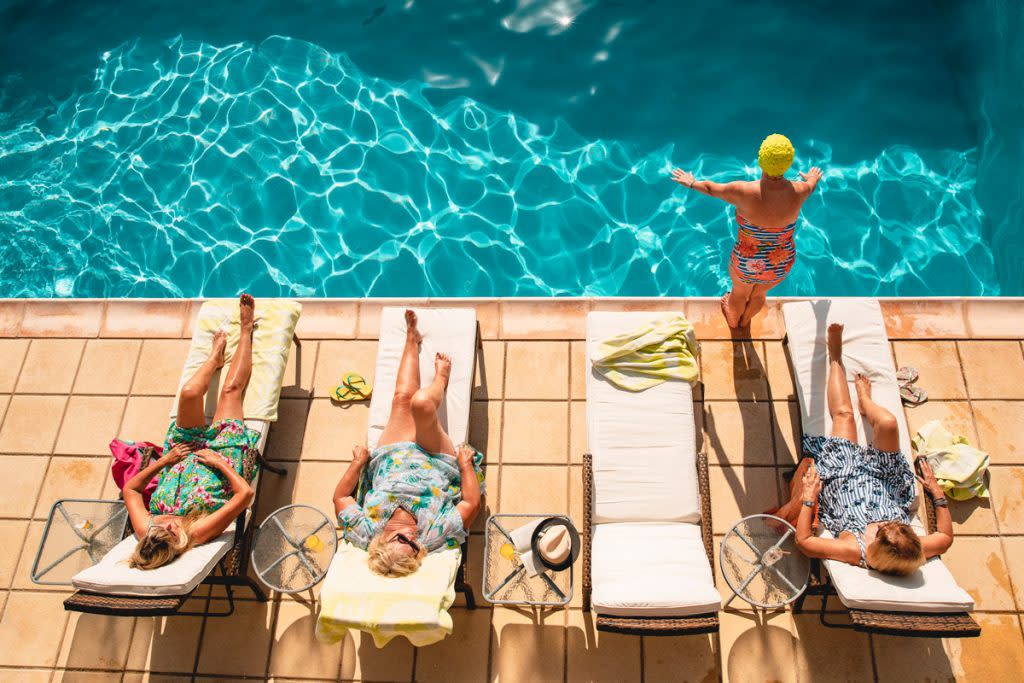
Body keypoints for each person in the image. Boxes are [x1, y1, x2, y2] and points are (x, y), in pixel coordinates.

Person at [774, 323, 953, 576]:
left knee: (844, 415)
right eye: (898, 526)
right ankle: (866, 401)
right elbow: (945, 537)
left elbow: (805, 543)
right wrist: (938, 496)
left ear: (877, 548)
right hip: (886, 480)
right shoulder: (912, 547)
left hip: (842, 475)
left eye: (883, 529)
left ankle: (835, 357)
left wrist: (809, 498)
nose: (885, 524)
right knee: (888, 424)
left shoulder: (855, 548)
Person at [332, 310, 484, 578]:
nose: (410, 537)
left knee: (402, 398)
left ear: (382, 543)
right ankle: (441, 379)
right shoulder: (433, 536)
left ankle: (411, 340)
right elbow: (471, 503)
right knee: (422, 405)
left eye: (401, 540)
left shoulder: (365, 532)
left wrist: (357, 464)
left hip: (391, 456)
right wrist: (465, 465)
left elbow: (341, 498)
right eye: (413, 545)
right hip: (435, 459)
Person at [123, 294, 261, 570]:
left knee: (189, 393)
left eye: (163, 527)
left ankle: (214, 359)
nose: (170, 524)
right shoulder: (196, 534)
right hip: (221, 457)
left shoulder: (146, 529)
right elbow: (244, 495)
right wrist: (219, 463)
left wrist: (164, 460)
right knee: (230, 391)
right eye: (173, 532)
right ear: (176, 547)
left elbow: (131, 489)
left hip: (180, 454)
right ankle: (246, 331)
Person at [671, 133, 823, 328]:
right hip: (781, 261)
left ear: (761, 161)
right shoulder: (800, 190)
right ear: (788, 164)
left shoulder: (744, 191)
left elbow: (711, 189)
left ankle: (734, 322)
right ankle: (746, 320)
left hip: (747, 262)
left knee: (739, 294)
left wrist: (691, 183)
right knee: (759, 294)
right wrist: (812, 178)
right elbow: (811, 185)